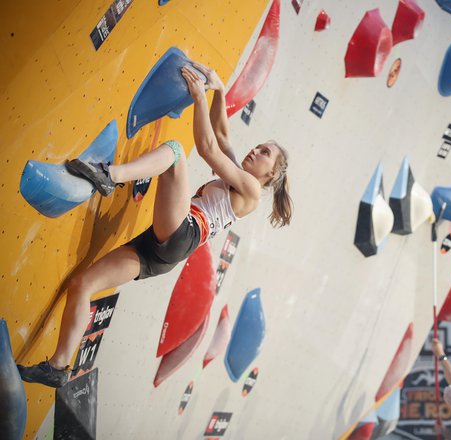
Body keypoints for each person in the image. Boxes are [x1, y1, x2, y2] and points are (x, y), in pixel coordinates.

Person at [17, 62, 293, 388]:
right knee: (82, 285)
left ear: (271, 174)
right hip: (164, 249)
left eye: (264, 153)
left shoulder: (251, 192)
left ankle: (110, 176)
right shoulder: (241, 176)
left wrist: (199, 98)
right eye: (259, 145)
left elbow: (206, 148)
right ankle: (58, 367)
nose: (255, 150)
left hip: (184, 232)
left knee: (175, 153)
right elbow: (220, 134)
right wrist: (218, 89)